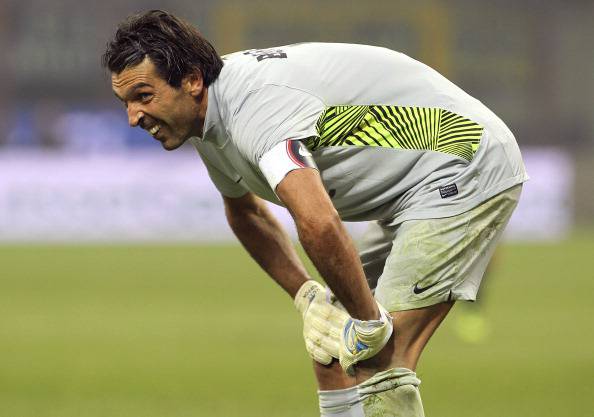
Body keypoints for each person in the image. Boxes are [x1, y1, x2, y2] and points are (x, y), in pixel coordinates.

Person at [102, 10, 528, 417]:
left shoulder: (256, 111)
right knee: (330, 345)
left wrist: (368, 322)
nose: (133, 117)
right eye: (126, 102)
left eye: (143, 97)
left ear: (192, 81)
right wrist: (307, 298)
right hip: (416, 186)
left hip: (465, 162)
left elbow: (318, 221)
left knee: (380, 357)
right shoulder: (207, 117)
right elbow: (246, 213)